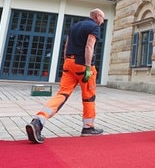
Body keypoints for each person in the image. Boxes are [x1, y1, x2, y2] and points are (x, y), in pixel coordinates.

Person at [25, 8, 106, 144]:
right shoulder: (94, 27)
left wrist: (66, 63)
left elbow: (66, 46)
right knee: (89, 97)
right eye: (102, 19)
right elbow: (89, 47)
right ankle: (88, 127)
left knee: (62, 94)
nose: (102, 22)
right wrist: (87, 67)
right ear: (97, 16)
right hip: (82, 65)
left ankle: (38, 121)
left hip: (69, 63)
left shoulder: (74, 27)